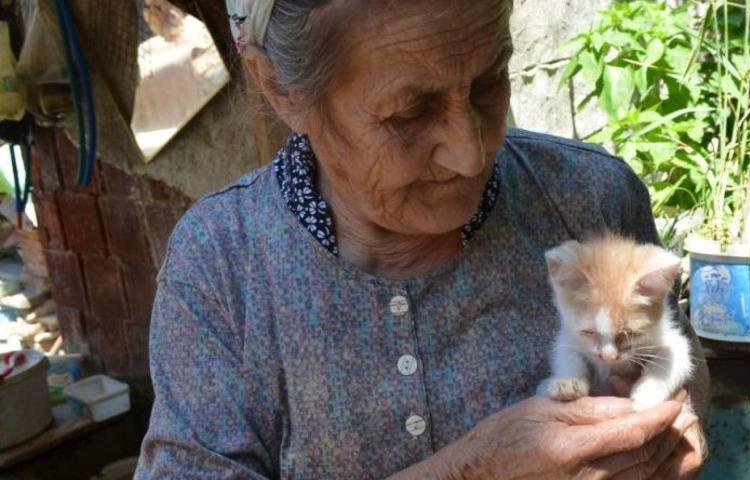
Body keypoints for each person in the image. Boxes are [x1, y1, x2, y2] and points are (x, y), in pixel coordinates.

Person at [135, 0, 710, 478]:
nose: (471, 150)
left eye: (489, 82)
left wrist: (664, 439)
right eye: (409, 112)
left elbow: (677, 373)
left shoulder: (588, 202)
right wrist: (471, 471)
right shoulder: (221, 262)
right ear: (280, 88)